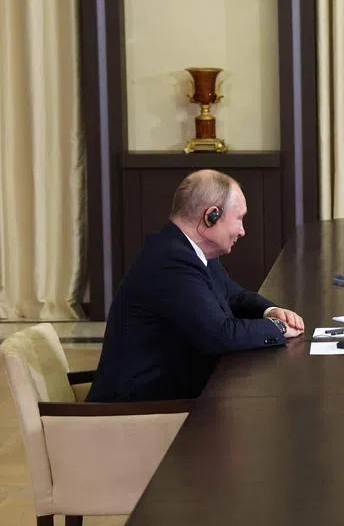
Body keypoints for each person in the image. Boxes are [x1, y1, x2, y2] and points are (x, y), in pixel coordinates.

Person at [88, 170, 305, 402]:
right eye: (239, 218)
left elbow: (234, 296)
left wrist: (271, 311)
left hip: (166, 395)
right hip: (134, 411)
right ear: (211, 216)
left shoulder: (186, 250)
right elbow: (220, 335)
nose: (242, 231)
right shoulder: (170, 261)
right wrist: (277, 328)